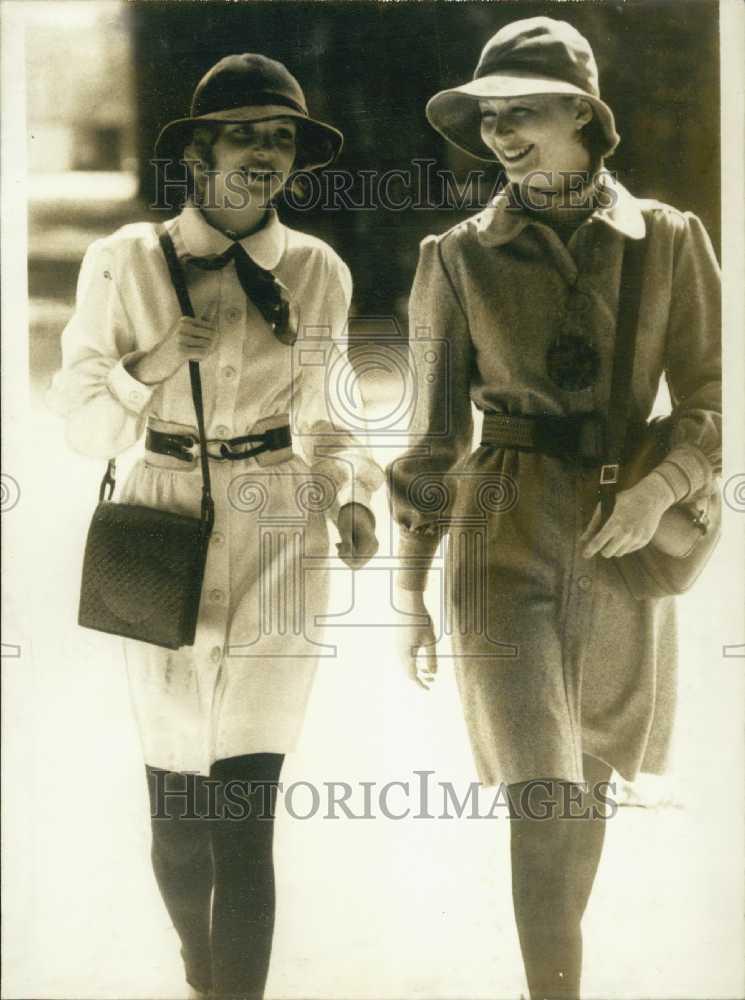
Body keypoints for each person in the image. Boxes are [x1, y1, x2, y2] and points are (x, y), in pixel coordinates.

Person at [389, 17, 720, 1000]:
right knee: (540, 792)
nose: (498, 135)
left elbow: (713, 403)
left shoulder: (668, 240)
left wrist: (660, 486)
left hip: (624, 529)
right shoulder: (455, 255)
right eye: (487, 118)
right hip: (502, 529)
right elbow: (430, 440)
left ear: (582, 112)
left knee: (588, 788)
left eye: (521, 112)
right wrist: (408, 590)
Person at [50, 54, 382, 1000]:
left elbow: (327, 413)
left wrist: (353, 495)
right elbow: (80, 426)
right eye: (246, 135)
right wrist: (146, 365)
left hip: (279, 529)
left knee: (246, 806)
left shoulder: (317, 269)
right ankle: (203, 974)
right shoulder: (123, 260)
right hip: (161, 523)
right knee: (178, 808)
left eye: (282, 140)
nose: (266, 156)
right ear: (197, 152)